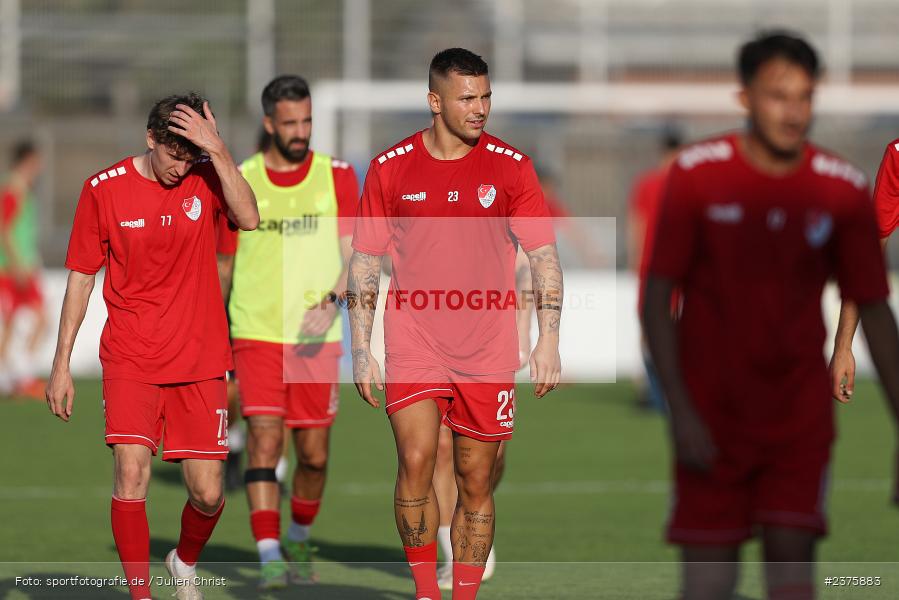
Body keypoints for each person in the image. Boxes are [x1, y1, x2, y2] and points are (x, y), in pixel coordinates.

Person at [644, 31, 899, 600]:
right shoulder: (697, 176)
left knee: (793, 575)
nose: (793, 111)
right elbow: (656, 299)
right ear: (746, 99)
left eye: (805, 97)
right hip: (712, 417)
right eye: (778, 96)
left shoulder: (839, 187)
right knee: (709, 582)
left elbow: (877, 310)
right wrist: (679, 408)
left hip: (797, 417)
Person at [348, 48, 563, 600]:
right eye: (468, 98)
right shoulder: (391, 167)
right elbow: (366, 261)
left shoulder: (512, 166)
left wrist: (549, 338)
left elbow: (542, 256)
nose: (480, 108)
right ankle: (426, 590)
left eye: (486, 96)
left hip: (487, 347)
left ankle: (463, 593)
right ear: (434, 101)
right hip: (415, 341)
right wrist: (361, 347)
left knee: (475, 476)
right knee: (417, 460)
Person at [45, 93, 258, 600]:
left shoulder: (207, 174)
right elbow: (79, 277)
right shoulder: (103, 189)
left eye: (190, 155)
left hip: (201, 357)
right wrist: (61, 365)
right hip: (131, 356)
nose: (181, 167)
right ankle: (141, 594)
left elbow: (248, 217)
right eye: (173, 155)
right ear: (150, 139)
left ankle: (183, 560)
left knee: (208, 493)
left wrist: (217, 149)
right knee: (131, 472)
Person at [217, 75, 357, 589]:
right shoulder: (242, 179)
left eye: (308, 121)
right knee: (263, 442)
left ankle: (298, 533)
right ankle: (270, 553)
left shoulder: (337, 176)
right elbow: (224, 269)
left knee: (314, 456)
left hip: (315, 343)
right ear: (269, 123)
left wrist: (332, 300)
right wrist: (214, 327)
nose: (301, 132)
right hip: (255, 333)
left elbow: (356, 255)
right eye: (291, 122)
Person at [432, 248, 532, 589]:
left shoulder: (498, 200)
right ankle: (454, 550)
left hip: (492, 344)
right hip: (430, 339)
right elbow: (390, 256)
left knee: (490, 455)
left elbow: (527, 268)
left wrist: (523, 326)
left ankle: (475, 512)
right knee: (441, 447)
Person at [628, 129, 682, 412]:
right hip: (675, 267)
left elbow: (637, 225)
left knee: (649, 327)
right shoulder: (683, 183)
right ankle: (664, 391)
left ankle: (655, 389)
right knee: (671, 327)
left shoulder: (647, 184)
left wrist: (635, 262)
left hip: (651, 268)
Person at [0, 140, 47, 398]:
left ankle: (19, 377)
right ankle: (19, 378)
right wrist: (17, 263)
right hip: (12, 269)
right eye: (37, 161)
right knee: (34, 320)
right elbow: (5, 230)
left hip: (23, 266)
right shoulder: (13, 190)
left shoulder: (22, 190)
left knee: (26, 321)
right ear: (27, 160)